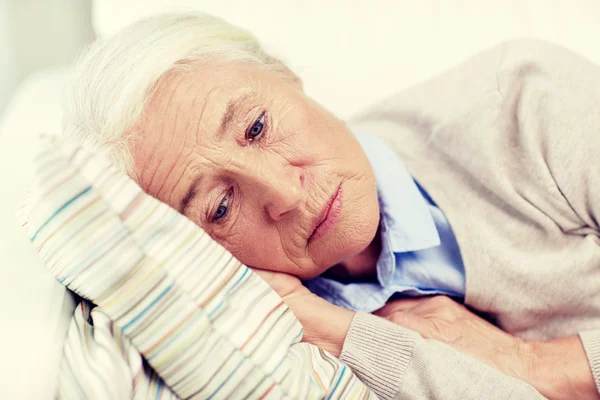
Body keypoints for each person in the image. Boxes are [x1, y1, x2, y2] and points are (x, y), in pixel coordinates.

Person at [63, 12, 600, 399]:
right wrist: (336, 331)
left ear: (283, 75)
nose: (287, 193)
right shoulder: (286, 339)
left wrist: (529, 363)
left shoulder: (526, 102)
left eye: (257, 127)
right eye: (221, 208)